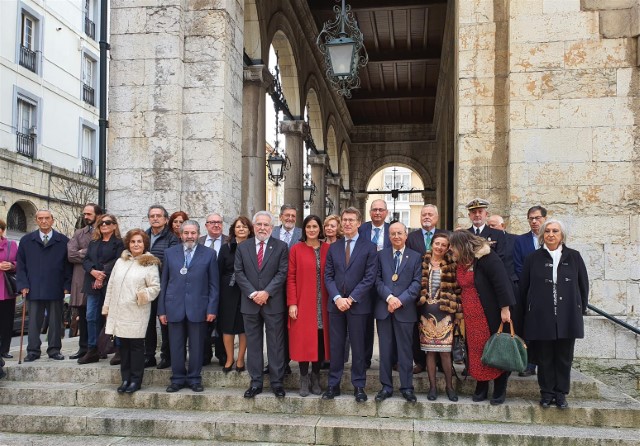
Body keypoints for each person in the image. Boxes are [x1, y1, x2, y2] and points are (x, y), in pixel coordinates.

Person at [520, 219, 588, 409]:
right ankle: (546, 392)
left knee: (564, 357)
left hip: (567, 316)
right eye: (547, 231)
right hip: (541, 316)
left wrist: (579, 310)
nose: (551, 234)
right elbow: (524, 288)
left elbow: (583, 286)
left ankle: (560, 394)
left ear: (562, 235)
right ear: (542, 235)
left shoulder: (574, 256)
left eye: (555, 231)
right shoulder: (533, 258)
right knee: (545, 357)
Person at [448, 230, 515, 405]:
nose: (451, 250)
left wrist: (505, 309)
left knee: (495, 349)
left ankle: (500, 387)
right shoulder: (461, 261)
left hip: (489, 312)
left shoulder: (486, 258)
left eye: (453, 246)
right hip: (470, 316)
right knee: (477, 351)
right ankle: (482, 385)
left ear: (461, 246)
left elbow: (501, 283)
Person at [323, 207, 377, 402]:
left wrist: (351, 299)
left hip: (358, 305)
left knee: (358, 346)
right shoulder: (334, 247)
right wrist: (338, 298)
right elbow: (328, 276)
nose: (347, 223)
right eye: (344, 220)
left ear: (359, 223)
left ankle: (359, 385)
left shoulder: (369, 247)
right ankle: (333, 384)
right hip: (336, 305)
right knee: (336, 346)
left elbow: (369, 277)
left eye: (351, 220)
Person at [158, 220, 219, 393]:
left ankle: (194, 378)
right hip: (174, 307)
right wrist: (161, 310)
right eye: (186, 233)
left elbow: (214, 285)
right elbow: (164, 283)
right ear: (180, 234)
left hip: (199, 307)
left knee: (197, 346)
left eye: (193, 233)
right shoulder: (170, 253)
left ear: (198, 234)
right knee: (175, 345)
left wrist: (212, 309)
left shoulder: (209, 254)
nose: (190, 236)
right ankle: (177, 379)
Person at [234, 211, 289, 399]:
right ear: (254, 227)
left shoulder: (281, 247)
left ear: (272, 228)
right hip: (250, 303)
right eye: (259, 224)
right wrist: (253, 293)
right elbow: (239, 273)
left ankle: (277, 382)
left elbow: (282, 273)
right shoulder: (243, 247)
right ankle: (256, 382)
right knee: (254, 344)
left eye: (266, 225)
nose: (262, 228)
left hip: (273, 302)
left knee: (275, 344)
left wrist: (266, 292)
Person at [102, 229, 161, 393]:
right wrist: (107, 307)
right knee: (123, 347)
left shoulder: (149, 263)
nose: (136, 244)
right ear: (128, 243)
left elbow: (155, 288)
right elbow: (111, 285)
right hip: (119, 311)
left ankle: (136, 380)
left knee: (136, 347)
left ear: (144, 244)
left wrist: (141, 296)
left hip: (137, 311)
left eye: (139, 241)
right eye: (133, 241)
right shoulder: (120, 262)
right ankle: (125, 378)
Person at [373, 222, 422, 403]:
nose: (396, 237)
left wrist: (399, 300)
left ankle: (407, 387)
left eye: (399, 233)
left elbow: (416, 283)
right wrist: (389, 298)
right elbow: (376, 280)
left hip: (405, 310)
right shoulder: (381, 255)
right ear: (389, 236)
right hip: (385, 308)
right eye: (393, 234)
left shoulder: (415, 257)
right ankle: (386, 387)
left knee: (405, 352)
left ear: (406, 235)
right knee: (385, 351)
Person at [16, 209, 73, 362]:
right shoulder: (27, 240)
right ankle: (33, 351)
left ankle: (54, 350)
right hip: (33, 287)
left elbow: (68, 266)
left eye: (47, 218)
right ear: (36, 220)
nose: (44, 221)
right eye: (40, 218)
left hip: (55, 286)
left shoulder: (63, 241)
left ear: (52, 220)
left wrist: (67, 284)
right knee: (34, 321)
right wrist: (22, 284)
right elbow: (21, 266)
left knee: (55, 321)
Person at [287, 215, 330, 396]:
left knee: (320, 340)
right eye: (308, 227)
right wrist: (292, 303)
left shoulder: (328, 249)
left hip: (324, 302)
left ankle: (316, 376)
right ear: (304, 229)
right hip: (304, 302)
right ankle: (304, 378)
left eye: (315, 226)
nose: (312, 229)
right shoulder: (296, 249)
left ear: (320, 229)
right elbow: (291, 278)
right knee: (304, 341)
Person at [417, 232, 462, 401]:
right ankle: (433, 388)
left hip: (445, 312)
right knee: (430, 352)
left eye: (443, 245)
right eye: (437, 243)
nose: (440, 247)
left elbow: (458, 291)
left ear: (448, 247)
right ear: (432, 244)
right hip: (426, 312)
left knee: (445, 352)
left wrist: (457, 313)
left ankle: (450, 387)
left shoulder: (452, 264)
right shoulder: (423, 261)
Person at [78, 214, 125, 364]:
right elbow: (86, 260)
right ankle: (93, 349)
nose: (104, 225)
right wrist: (93, 272)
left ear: (114, 225)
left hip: (110, 283)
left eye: (108, 223)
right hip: (92, 283)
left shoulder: (119, 243)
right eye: (101, 223)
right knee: (91, 316)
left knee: (112, 316)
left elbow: (118, 261)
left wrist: (102, 275)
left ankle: (117, 349)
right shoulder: (93, 243)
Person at [406, 204, 447, 374]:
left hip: (441, 291)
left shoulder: (445, 235)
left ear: (437, 217)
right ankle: (420, 361)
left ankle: (440, 362)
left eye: (430, 214)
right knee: (419, 327)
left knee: (441, 328)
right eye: (424, 214)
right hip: (418, 290)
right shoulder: (412, 237)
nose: (426, 217)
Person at [513, 205, 548, 377]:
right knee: (528, 328)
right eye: (531, 218)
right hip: (527, 292)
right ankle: (528, 363)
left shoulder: (552, 239)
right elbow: (518, 267)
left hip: (548, 294)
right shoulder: (520, 241)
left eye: (537, 218)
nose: (534, 221)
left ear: (545, 219)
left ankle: (545, 362)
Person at [145, 204, 180, 369]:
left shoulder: (172, 238)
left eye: (159, 216)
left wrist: (152, 262)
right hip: (146, 286)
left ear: (166, 219)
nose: (155, 218)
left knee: (165, 323)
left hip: (164, 285)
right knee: (148, 322)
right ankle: (148, 355)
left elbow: (172, 262)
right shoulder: (144, 236)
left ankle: (167, 356)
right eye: (152, 216)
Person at [217, 216, 253, 373]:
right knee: (227, 326)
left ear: (249, 230)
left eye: (245, 227)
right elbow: (218, 270)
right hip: (228, 290)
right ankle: (229, 358)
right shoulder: (225, 248)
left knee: (243, 326)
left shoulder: (253, 246)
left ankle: (240, 359)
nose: (241, 229)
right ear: (233, 230)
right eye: (239, 227)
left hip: (246, 290)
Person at [67, 203, 103, 360]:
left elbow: (105, 254)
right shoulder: (79, 233)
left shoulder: (104, 232)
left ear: (98, 215)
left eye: (89, 214)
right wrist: (89, 255)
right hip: (82, 278)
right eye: (84, 214)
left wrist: (85, 253)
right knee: (83, 313)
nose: (85, 217)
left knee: (99, 314)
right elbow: (71, 254)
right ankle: (83, 348)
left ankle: (100, 348)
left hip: (100, 277)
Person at [359, 199, 391, 369]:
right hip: (364, 283)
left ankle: (391, 360)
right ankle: (365, 360)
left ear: (386, 212)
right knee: (364, 324)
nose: (377, 213)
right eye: (374, 210)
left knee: (386, 322)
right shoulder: (361, 229)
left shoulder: (392, 230)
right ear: (369, 212)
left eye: (381, 210)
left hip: (386, 284)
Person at [198, 212, 228, 367]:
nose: (216, 225)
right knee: (204, 322)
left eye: (219, 222)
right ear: (206, 225)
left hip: (223, 289)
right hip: (202, 288)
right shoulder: (198, 241)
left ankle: (222, 354)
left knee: (222, 322)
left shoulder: (229, 241)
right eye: (212, 222)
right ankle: (205, 354)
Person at [0, 219, 18, 359]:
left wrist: (12, 265)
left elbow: (20, 263)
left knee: (7, 322)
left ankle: (4, 349)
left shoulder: (12, 245)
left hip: (7, 290)